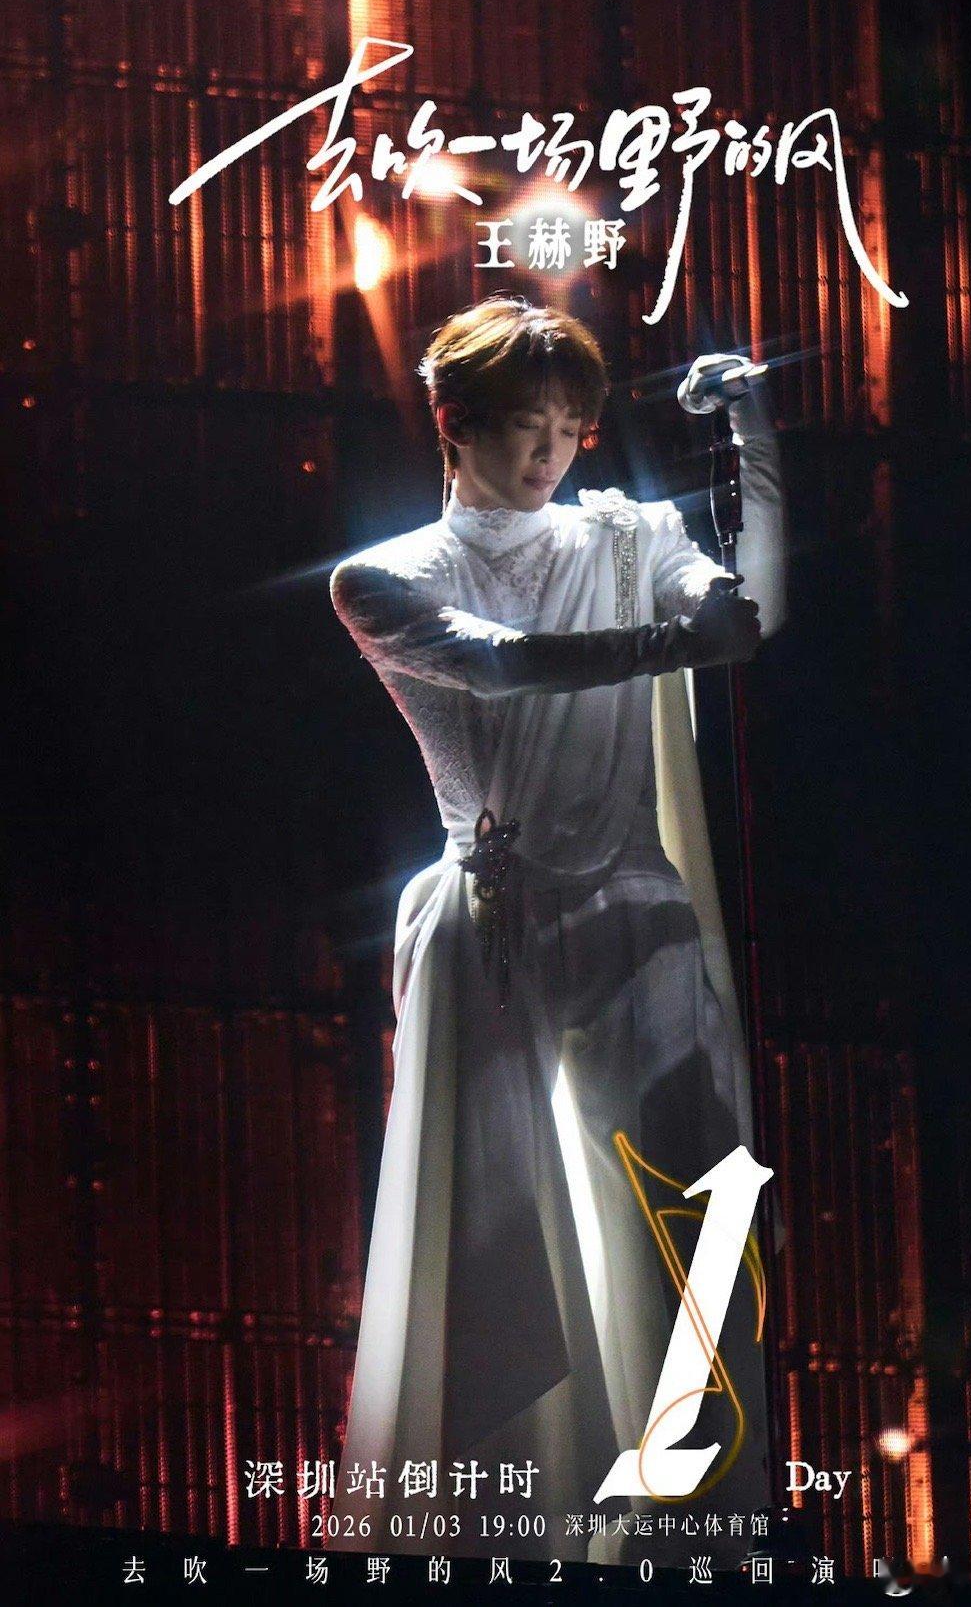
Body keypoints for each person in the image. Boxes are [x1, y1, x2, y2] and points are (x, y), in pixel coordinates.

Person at [326, 295, 787, 1570]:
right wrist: (671, 641)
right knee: (492, 1243)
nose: (551, 453)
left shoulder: (631, 535)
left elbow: (749, 617)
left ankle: (690, 1523)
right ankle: (496, 1532)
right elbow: (502, 663)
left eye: (571, 428)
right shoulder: (385, 578)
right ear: (455, 423)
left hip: (635, 909)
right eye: (525, 425)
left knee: (697, 1209)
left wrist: (755, 436)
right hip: (492, 924)